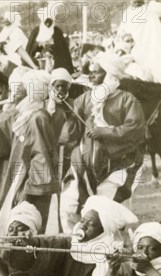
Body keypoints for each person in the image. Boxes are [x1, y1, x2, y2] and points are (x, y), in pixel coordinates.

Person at [60, 52, 146, 233]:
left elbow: (136, 130)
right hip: (82, 166)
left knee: (103, 214)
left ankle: (106, 251)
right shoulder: (84, 99)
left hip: (115, 166)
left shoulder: (127, 100)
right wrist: (63, 109)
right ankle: (76, 244)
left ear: (110, 75)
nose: (91, 76)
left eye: (97, 72)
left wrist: (105, 132)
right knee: (68, 205)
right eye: (91, 72)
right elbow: (72, 131)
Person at [0, 70, 58, 235]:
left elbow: (40, 156)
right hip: (18, 172)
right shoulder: (26, 114)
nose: (17, 92)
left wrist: (27, 190)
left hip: (26, 179)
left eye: (23, 88)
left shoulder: (37, 118)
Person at [26, 6, 74, 73]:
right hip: (38, 67)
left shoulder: (57, 32)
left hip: (55, 67)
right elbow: (29, 51)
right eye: (46, 22)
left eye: (50, 22)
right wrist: (39, 46)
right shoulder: (36, 32)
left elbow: (64, 52)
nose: (48, 24)